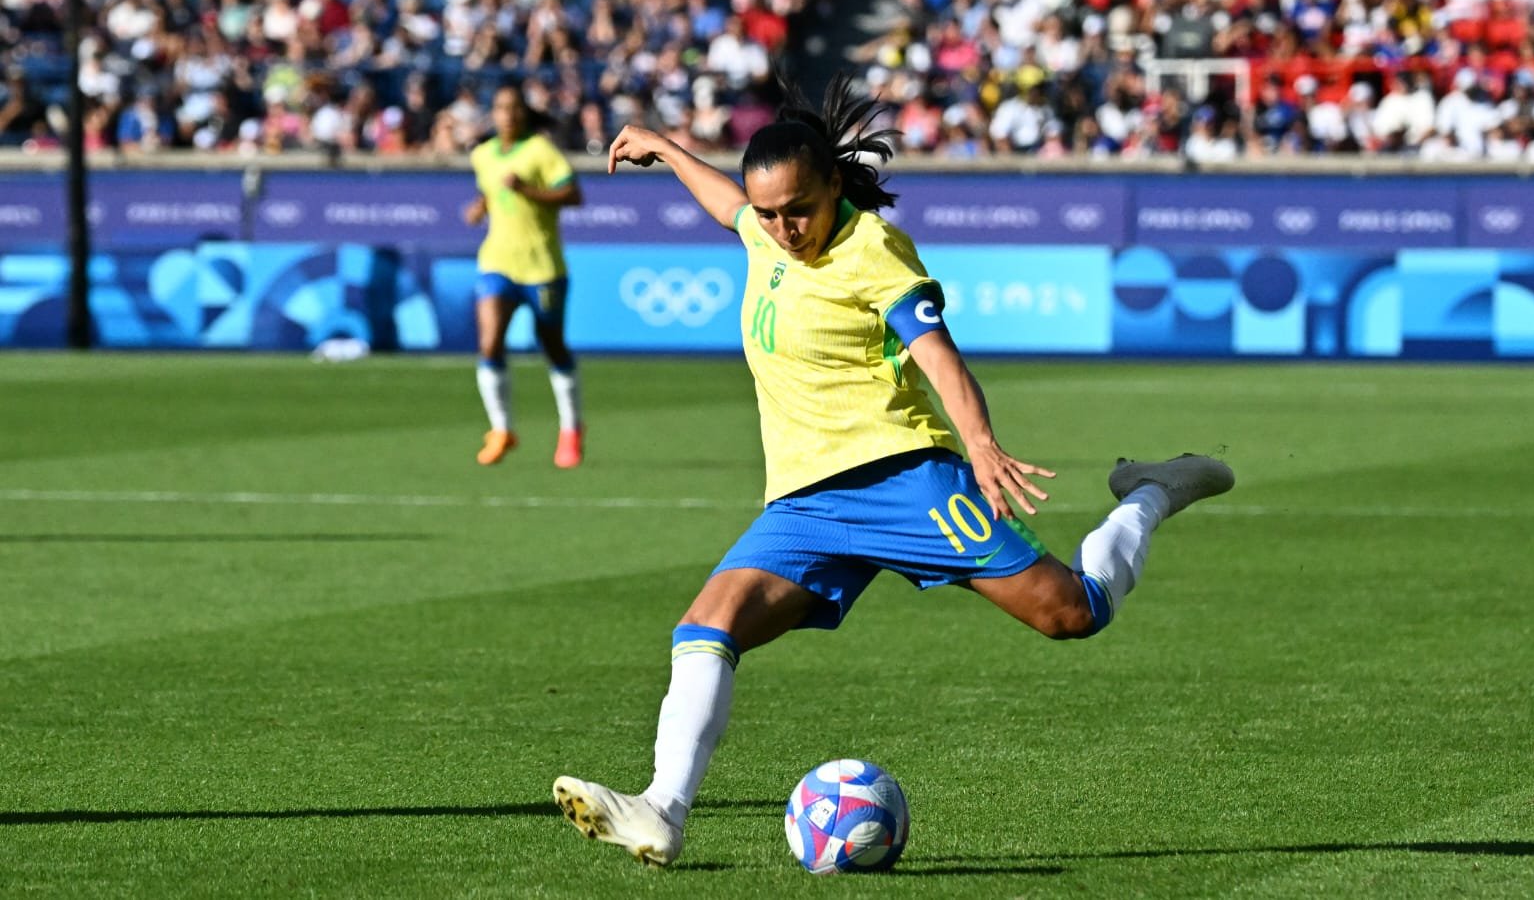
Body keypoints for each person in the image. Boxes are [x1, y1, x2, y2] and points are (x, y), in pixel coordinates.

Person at [552, 75, 1234, 865]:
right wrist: (668, 149)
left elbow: (937, 355)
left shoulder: (871, 249)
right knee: (706, 626)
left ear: (834, 185)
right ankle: (662, 811)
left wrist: (978, 442)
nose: (782, 227)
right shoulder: (764, 232)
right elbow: (728, 208)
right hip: (803, 504)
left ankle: (1151, 491)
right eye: (768, 212)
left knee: (1069, 612)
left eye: (797, 209)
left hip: (903, 480)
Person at [463, 83, 586, 468]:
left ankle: (570, 429)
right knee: (489, 342)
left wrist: (528, 191)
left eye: (515, 108)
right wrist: (480, 207)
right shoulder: (483, 155)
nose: (508, 115)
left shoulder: (540, 151)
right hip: (497, 261)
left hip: (542, 266)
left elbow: (573, 195)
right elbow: (491, 188)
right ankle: (501, 429)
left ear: (524, 113)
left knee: (551, 345)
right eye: (501, 108)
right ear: (493, 114)